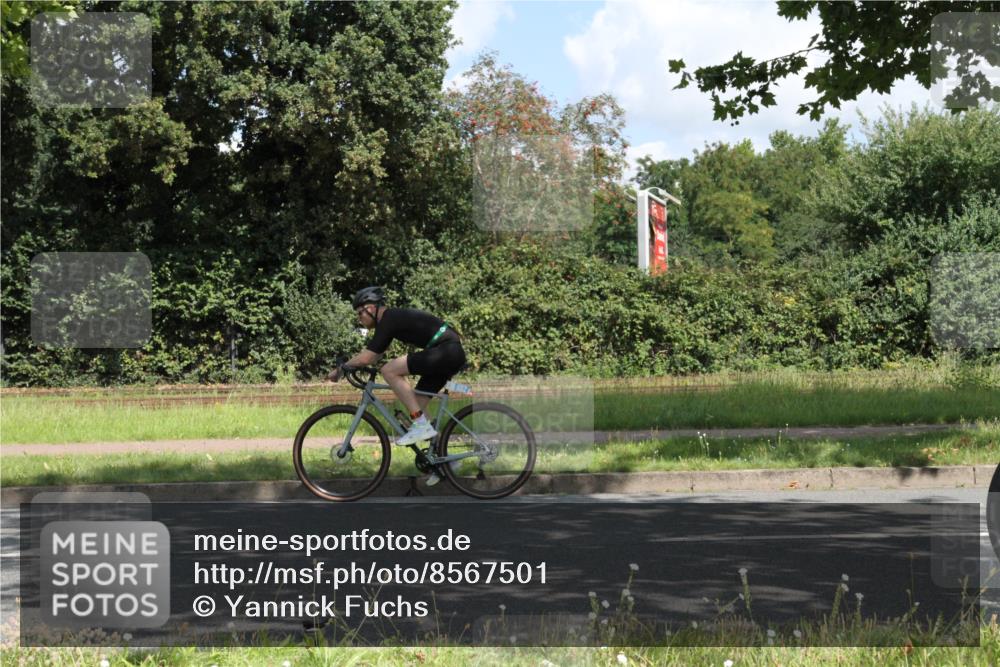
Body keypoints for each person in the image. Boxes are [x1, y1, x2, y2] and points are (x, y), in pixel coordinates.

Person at [328, 286, 467, 456]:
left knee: (389, 371)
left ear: (370, 308)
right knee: (416, 405)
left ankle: (421, 426)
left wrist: (340, 370)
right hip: (447, 353)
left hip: (446, 351)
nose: (359, 319)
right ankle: (443, 461)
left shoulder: (389, 318)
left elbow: (368, 358)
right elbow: (376, 354)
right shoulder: (391, 320)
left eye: (359, 313)